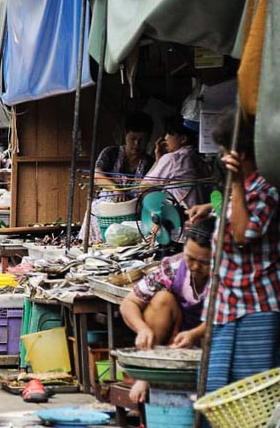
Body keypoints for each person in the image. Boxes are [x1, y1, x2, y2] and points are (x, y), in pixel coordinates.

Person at [187, 118, 280, 394]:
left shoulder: (266, 190)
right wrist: (210, 208)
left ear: (242, 156)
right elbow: (232, 215)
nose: (222, 157)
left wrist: (237, 183)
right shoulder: (241, 189)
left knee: (251, 393)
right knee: (215, 386)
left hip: (256, 307)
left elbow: (243, 234)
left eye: (225, 152)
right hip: (226, 307)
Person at [120, 218, 215, 402]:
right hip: (174, 337)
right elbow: (129, 303)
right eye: (190, 258)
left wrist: (195, 334)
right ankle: (147, 374)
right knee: (163, 299)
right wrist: (143, 329)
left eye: (204, 262)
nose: (194, 266)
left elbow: (226, 316)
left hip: (209, 337)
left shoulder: (226, 274)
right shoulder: (172, 267)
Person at [141, 116, 212, 210]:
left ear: (183, 139)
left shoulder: (173, 158)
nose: (166, 138)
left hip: (178, 218)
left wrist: (158, 161)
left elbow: (144, 187)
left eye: (170, 134)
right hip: (200, 215)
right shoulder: (198, 157)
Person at [95, 112, 155, 192]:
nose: (136, 144)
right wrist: (115, 188)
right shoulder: (110, 153)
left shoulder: (150, 163)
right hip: (107, 202)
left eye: (142, 140)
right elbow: (97, 176)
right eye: (132, 139)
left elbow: (150, 187)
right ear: (125, 134)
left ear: (149, 139)